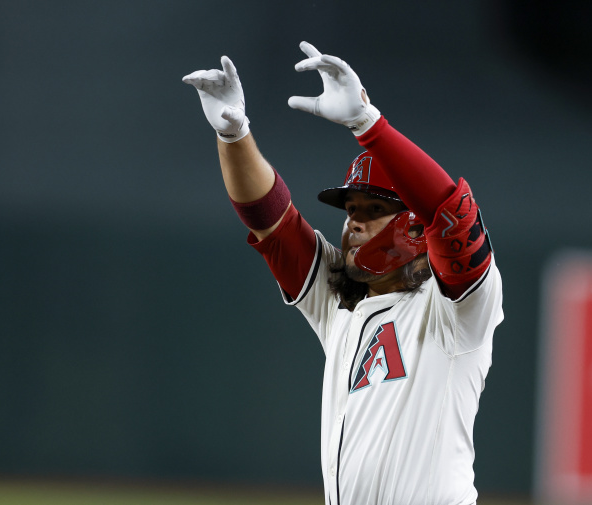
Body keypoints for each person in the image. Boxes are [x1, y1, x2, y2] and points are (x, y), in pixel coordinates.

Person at [183, 41, 504, 505]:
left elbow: (451, 213)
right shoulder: (339, 303)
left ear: (413, 226)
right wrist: (235, 137)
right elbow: (272, 221)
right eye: (351, 207)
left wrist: (368, 125)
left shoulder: (456, 311)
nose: (353, 221)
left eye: (373, 209)